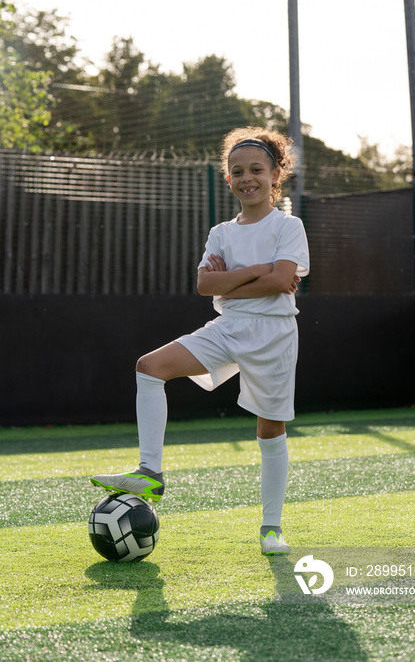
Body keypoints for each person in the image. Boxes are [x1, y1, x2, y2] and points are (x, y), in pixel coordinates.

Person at [91, 126, 310, 555]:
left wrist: (232, 281)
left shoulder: (290, 225)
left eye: (256, 170)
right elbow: (205, 286)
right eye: (237, 171)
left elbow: (282, 280)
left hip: (274, 336)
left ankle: (271, 529)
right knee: (150, 367)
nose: (247, 178)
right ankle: (149, 472)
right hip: (227, 329)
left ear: (275, 175)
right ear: (227, 179)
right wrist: (255, 274)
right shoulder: (220, 233)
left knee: (270, 431)